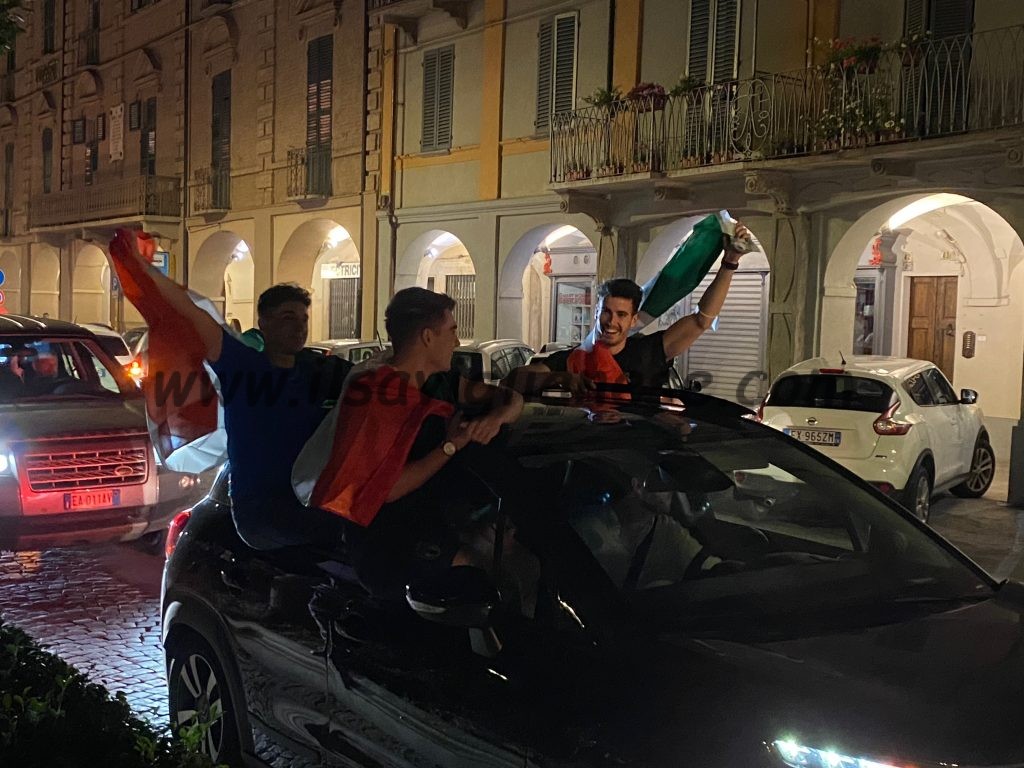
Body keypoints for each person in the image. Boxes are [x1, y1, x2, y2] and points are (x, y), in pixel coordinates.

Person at [111, 231, 351, 550]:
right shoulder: (243, 365)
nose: (299, 326)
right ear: (263, 323)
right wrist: (144, 269)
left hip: (307, 501)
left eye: (303, 318)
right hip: (263, 513)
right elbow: (189, 312)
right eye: (288, 317)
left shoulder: (317, 370)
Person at [340, 287, 524, 597]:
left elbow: (512, 399)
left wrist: (496, 419)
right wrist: (450, 447)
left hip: (442, 521)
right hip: (388, 541)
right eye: (452, 331)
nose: (457, 342)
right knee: (494, 582)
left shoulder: (441, 382)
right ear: (427, 337)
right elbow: (386, 488)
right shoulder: (376, 393)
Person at [505, 224, 752, 395]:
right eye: (606, 312)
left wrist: (729, 264)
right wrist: (558, 377)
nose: (611, 321)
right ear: (596, 313)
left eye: (622, 315)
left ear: (634, 320)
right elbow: (512, 380)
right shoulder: (570, 360)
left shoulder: (649, 352)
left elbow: (701, 321)